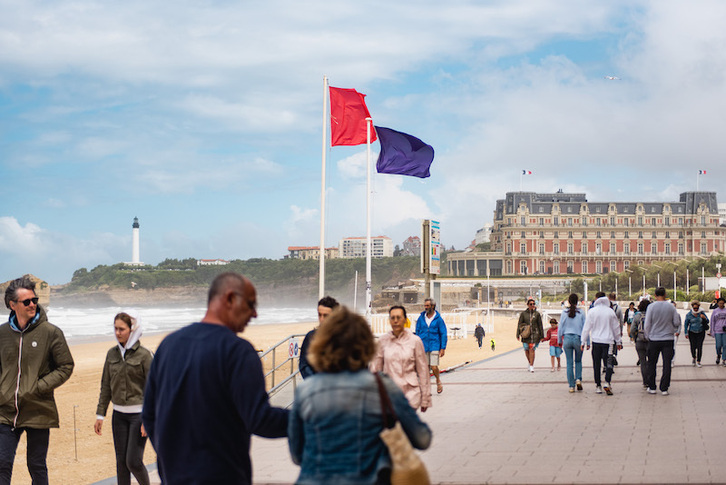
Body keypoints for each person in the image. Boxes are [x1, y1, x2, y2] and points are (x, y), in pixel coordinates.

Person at [142, 272, 288, 484]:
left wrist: (171, 459)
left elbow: (149, 414)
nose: (254, 314)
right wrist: (309, 419)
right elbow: (260, 419)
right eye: (250, 304)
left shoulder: (168, 345)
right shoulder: (238, 351)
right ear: (229, 299)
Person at [289, 306, 431, 484]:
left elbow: (296, 454)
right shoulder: (381, 385)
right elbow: (422, 439)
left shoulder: (305, 391)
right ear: (364, 346)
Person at [0, 276, 74, 484]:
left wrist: (38, 387)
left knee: (36, 465)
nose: (33, 304)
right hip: (5, 411)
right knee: (2, 464)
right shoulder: (2, 334)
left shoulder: (51, 333)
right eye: (27, 301)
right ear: (12, 305)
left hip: (39, 409)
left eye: (34, 300)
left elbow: (66, 366)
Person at [94, 311, 153, 485]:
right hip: (118, 416)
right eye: (115, 329)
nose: (118, 332)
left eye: (122, 329)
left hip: (139, 416)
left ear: (132, 330)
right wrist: (100, 415)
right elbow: (105, 386)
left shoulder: (144, 355)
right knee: (121, 463)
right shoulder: (111, 354)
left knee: (133, 462)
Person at [370, 306, 431, 412]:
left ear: (405, 319)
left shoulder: (415, 341)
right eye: (392, 318)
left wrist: (425, 398)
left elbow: (423, 371)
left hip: (411, 394)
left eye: (398, 317)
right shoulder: (383, 341)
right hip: (390, 394)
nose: (396, 321)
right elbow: (375, 370)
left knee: (405, 423)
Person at [581, 292, 622, 395]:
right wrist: (619, 341)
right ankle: (607, 382)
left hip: (596, 341)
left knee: (596, 364)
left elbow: (586, 328)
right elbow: (616, 328)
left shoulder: (592, 311)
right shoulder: (610, 312)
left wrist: (583, 341)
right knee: (608, 363)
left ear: (596, 298)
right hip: (608, 342)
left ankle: (598, 386)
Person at [643, 287, 681, 395]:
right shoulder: (671, 307)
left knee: (652, 364)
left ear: (655, 295)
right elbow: (677, 322)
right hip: (668, 339)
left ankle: (652, 387)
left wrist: (648, 336)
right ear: (665, 294)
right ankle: (664, 388)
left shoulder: (651, 307)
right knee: (667, 364)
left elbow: (647, 324)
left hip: (654, 339)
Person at [298, 296, 339, 379]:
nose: (322, 319)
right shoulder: (311, 337)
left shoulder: (346, 337)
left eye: (326, 316)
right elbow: (304, 365)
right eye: (319, 315)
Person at [415, 298, 448, 394]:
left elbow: (443, 333)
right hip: (423, 345)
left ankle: (438, 380)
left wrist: (443, 348)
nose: (425, 307)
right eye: (425, 305)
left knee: (433, 367)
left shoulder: (438, 319)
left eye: (427, 306)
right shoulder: (421, 318)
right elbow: (417, 331)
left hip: (434, 345)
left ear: (432, 306)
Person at [558, 293, 585, 393]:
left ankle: (571, 386)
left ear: (568, 301)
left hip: (567, 338)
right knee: (578, 361)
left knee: (569, 363)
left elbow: (560, 327)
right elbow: (584, 327)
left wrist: (559, 340)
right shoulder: (581, 312)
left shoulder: (564, 312)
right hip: (578, 338)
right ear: (577, 301)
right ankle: (578, 379)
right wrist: (587, 341)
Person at [516, 298, 544, 372]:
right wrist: (517, 334)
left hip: (534, 335)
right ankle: (529, 362)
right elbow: (519, 324)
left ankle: (531, 365)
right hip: (526, 335)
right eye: (531, 304)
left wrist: (542, 336)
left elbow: (540, 325)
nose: (532, 305)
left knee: (532, 349)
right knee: (526, 349)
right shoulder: (523, 314)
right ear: (528, 305)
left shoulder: (537, 314)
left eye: (534, 304)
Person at [629, 299, 651, 389]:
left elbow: (632, 330)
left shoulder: (637, 316)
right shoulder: (651, 316)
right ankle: (651, 380)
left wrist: (634, 338)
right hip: (650, 341)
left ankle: (645, 381)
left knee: (642, 362)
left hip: (639, 341)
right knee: (651, 361)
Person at [684, 300, 709, 368]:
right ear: (692, 307)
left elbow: (707, 321)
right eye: (694, 308)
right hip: (692, 332)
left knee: (699, 346)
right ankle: (694, 357)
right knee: (693, 347)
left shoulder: (701, 313)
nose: (696, 309)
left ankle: (698, 361)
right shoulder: (689, 314)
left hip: (701, 332)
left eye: (697, 308)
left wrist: (704, 318)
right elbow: (686, 324)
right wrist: (686, 333)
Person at [709, 297, 726, 366]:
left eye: (722, 303)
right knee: (718, 345)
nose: (721, 304)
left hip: (724, 331)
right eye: (720, 303)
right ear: (717, 303)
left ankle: (724, 359)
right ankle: (718, 355)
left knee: (725, 345)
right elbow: (712, 321)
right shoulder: (715, 311)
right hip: (717, 330)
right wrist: (712, 330)